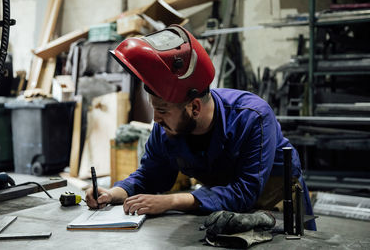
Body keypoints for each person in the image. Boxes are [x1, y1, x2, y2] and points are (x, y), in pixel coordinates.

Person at [85, 24, 316, 230]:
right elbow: (151, 175)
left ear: (194, 107)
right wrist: (114, 193)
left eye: (163, 110)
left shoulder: (253, 117)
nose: (156, 119)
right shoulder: (166, 128)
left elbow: (245, 192)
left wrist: (172, 201)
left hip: (275, 203)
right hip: (223, 207)